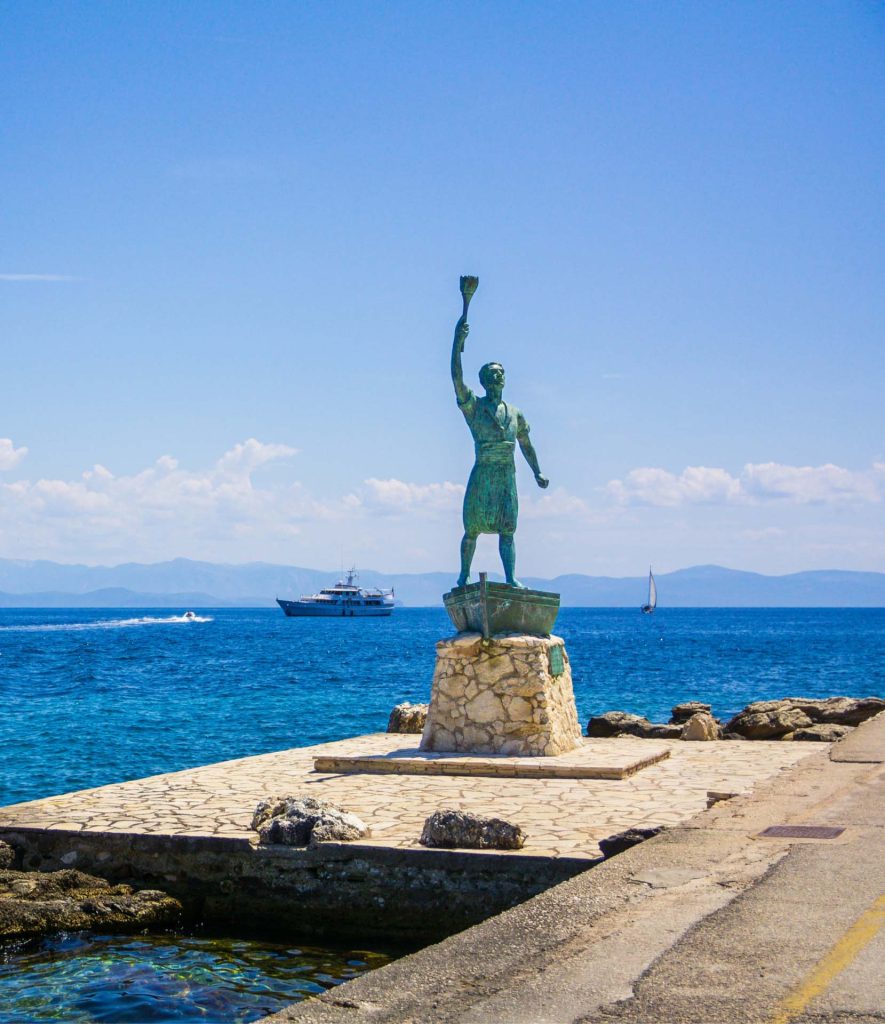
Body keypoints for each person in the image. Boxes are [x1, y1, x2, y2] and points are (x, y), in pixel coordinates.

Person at [451, 315, 548, 588]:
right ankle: (463, 575)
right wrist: (457, 343)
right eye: (492, 372)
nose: (498, 375)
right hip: (483, 472)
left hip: (507, 474)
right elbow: (456, 378)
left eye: (501, 372)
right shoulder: (474, 408)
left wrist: (537, 471)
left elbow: (526, 444)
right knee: (472, 528)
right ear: (483, 380)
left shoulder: (516, 413)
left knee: (508, 529)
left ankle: (510, 578)